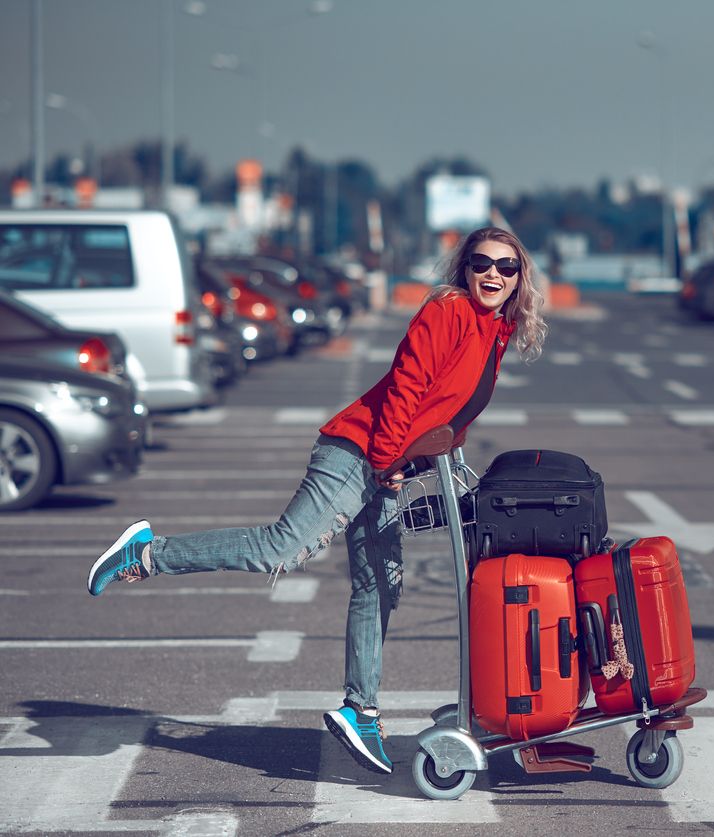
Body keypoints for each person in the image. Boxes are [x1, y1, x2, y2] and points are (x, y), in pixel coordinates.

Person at [85, 226, 546, 776]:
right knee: (281, 548)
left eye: (506, 267)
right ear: (465, 268)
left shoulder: (495, 328)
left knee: (380, 585)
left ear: (521, 277)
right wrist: (386, 462)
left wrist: (424, 459)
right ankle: (145, 552)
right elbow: (406, 386)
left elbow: (450, 409)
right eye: (481, 263)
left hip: (391, 462)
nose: (493, 274)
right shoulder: (447, 311)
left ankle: (361, 711)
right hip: (358, 452)